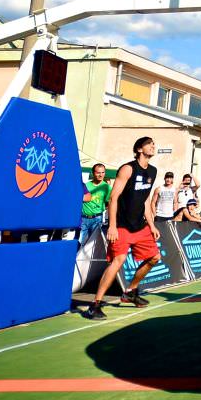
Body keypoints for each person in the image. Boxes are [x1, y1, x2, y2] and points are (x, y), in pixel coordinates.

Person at [83, 137, 161, 321]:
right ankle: (95, 305)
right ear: (139, 149)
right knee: (118, 260)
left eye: (154, 144)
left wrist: (151, 225)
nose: (153, 147)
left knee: (155, 257)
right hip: (122, 225)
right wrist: (112, 226)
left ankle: (130, 291)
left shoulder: (152, 171)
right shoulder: (128, 168)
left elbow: (146, 200)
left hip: (140, 226)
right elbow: (114, 198)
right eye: (149, 144)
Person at [78, 164, 111, 245]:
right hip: (83, 218)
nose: (101, 175)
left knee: (93, 244)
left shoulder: (107, 187)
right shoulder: (86, 185)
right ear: (93, 173)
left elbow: (109, 203)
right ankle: (73, 257)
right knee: (79, 242)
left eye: (103, 172)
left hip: (97, 218)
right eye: (98, 172)